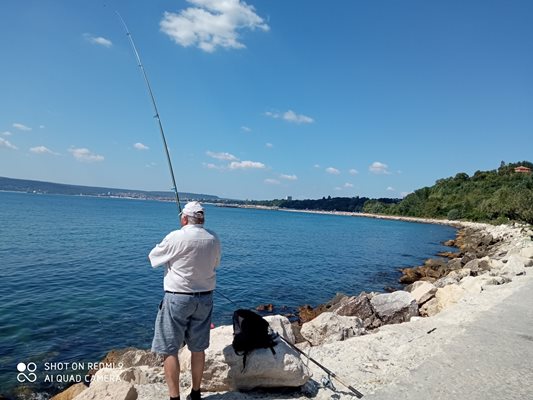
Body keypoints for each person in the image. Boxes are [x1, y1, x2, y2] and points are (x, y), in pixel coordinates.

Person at [149, 201, 221, 400]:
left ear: (184, 218)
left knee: (169, 348)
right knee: (198, 349)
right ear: (201, 218)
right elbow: (216, 263)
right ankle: (196, 393)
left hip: (177, 299)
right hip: (205, 298)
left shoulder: (175, 236)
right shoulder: (213, 238)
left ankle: (174, 397)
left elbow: (152, 258)